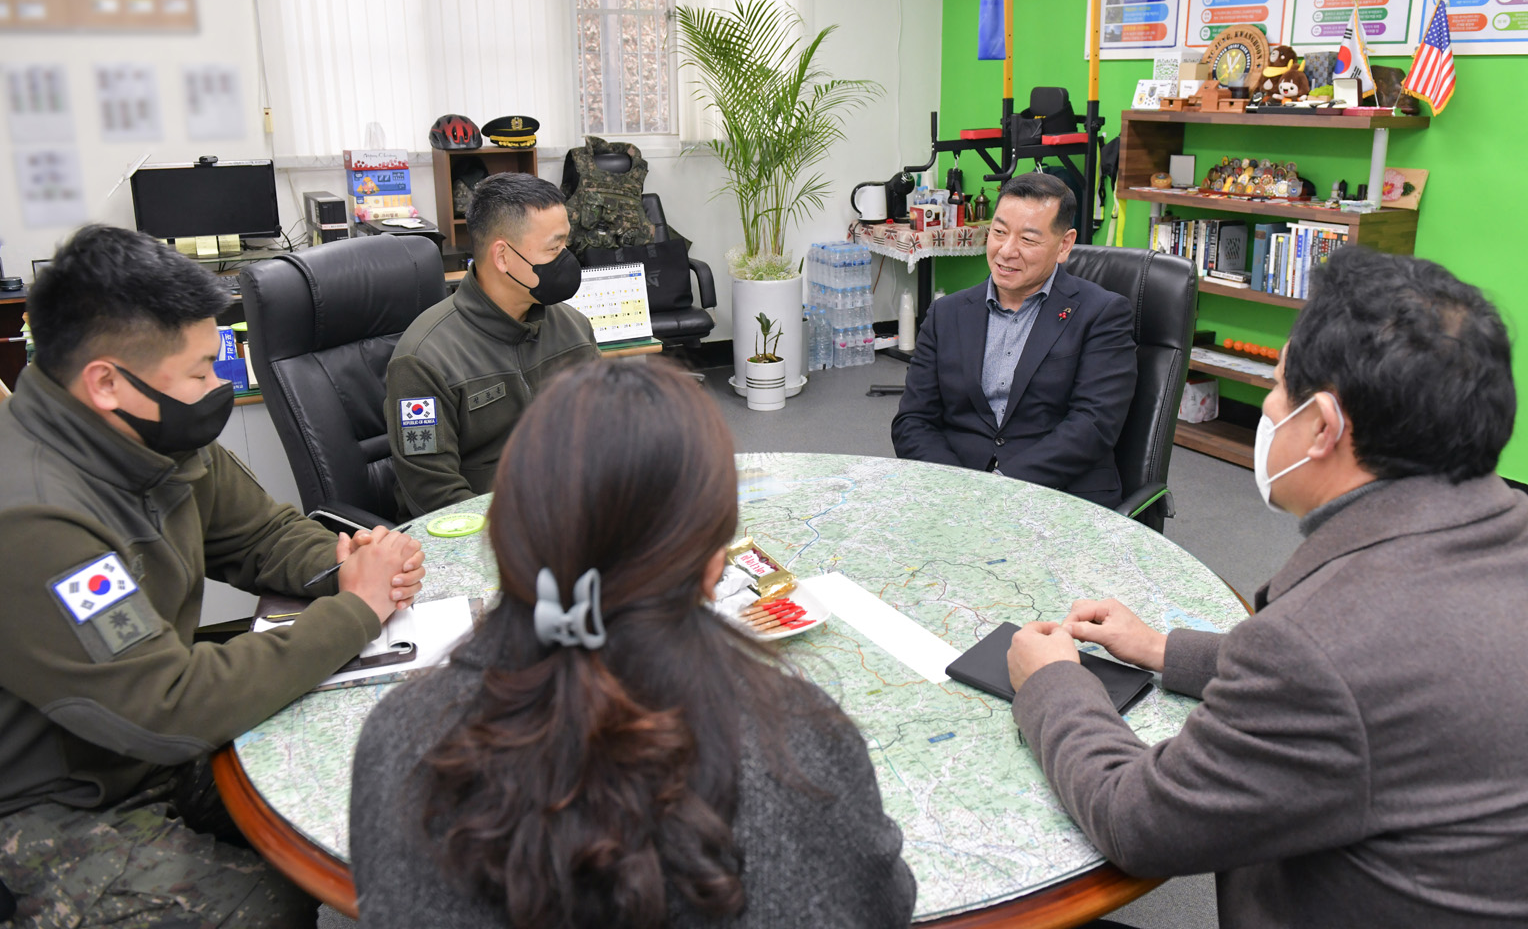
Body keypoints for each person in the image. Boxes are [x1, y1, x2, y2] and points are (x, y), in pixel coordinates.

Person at [1005, 246, 1528, 927]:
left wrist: (1052, 683)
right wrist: (1161, 648)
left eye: (1276, 387)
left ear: (1323, 426)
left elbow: (1138, 821)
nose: (1269, 407)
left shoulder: (1320, 644)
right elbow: (1381, 675)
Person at [351, 360, 917, 928]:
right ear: (714, 563)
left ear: (506, 537)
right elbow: (881, 904)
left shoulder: (397, 741)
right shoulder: (804, 751)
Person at [0, 224, 427, 928]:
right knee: (266, 902)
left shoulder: (150, 434)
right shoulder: (35, 520)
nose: (219, 387)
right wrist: (354, 610)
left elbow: (260, 533)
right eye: (201, 372)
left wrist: (347, 564)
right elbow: (165, 705)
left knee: (362, 784)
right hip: (59, 801)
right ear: (107, 382)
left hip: (147, 748)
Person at [891, 171, 1137, 505]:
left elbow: (1093, 425)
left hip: (1059, 494)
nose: (1006, 251)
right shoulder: (946, 313)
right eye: (999, 232)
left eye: (1028, 240)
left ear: (1064, 245)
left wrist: (1001, 487)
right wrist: (957, 488)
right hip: (955, 488)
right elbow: (913, 420)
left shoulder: (1102, 313)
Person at [387, 172, 598, 517]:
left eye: (566, 245)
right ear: (502, 256)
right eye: (554, 248)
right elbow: (434, 496)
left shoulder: (573, 328)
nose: (566, 259)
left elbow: (606, 430)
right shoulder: (424, 359)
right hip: (482, 532)